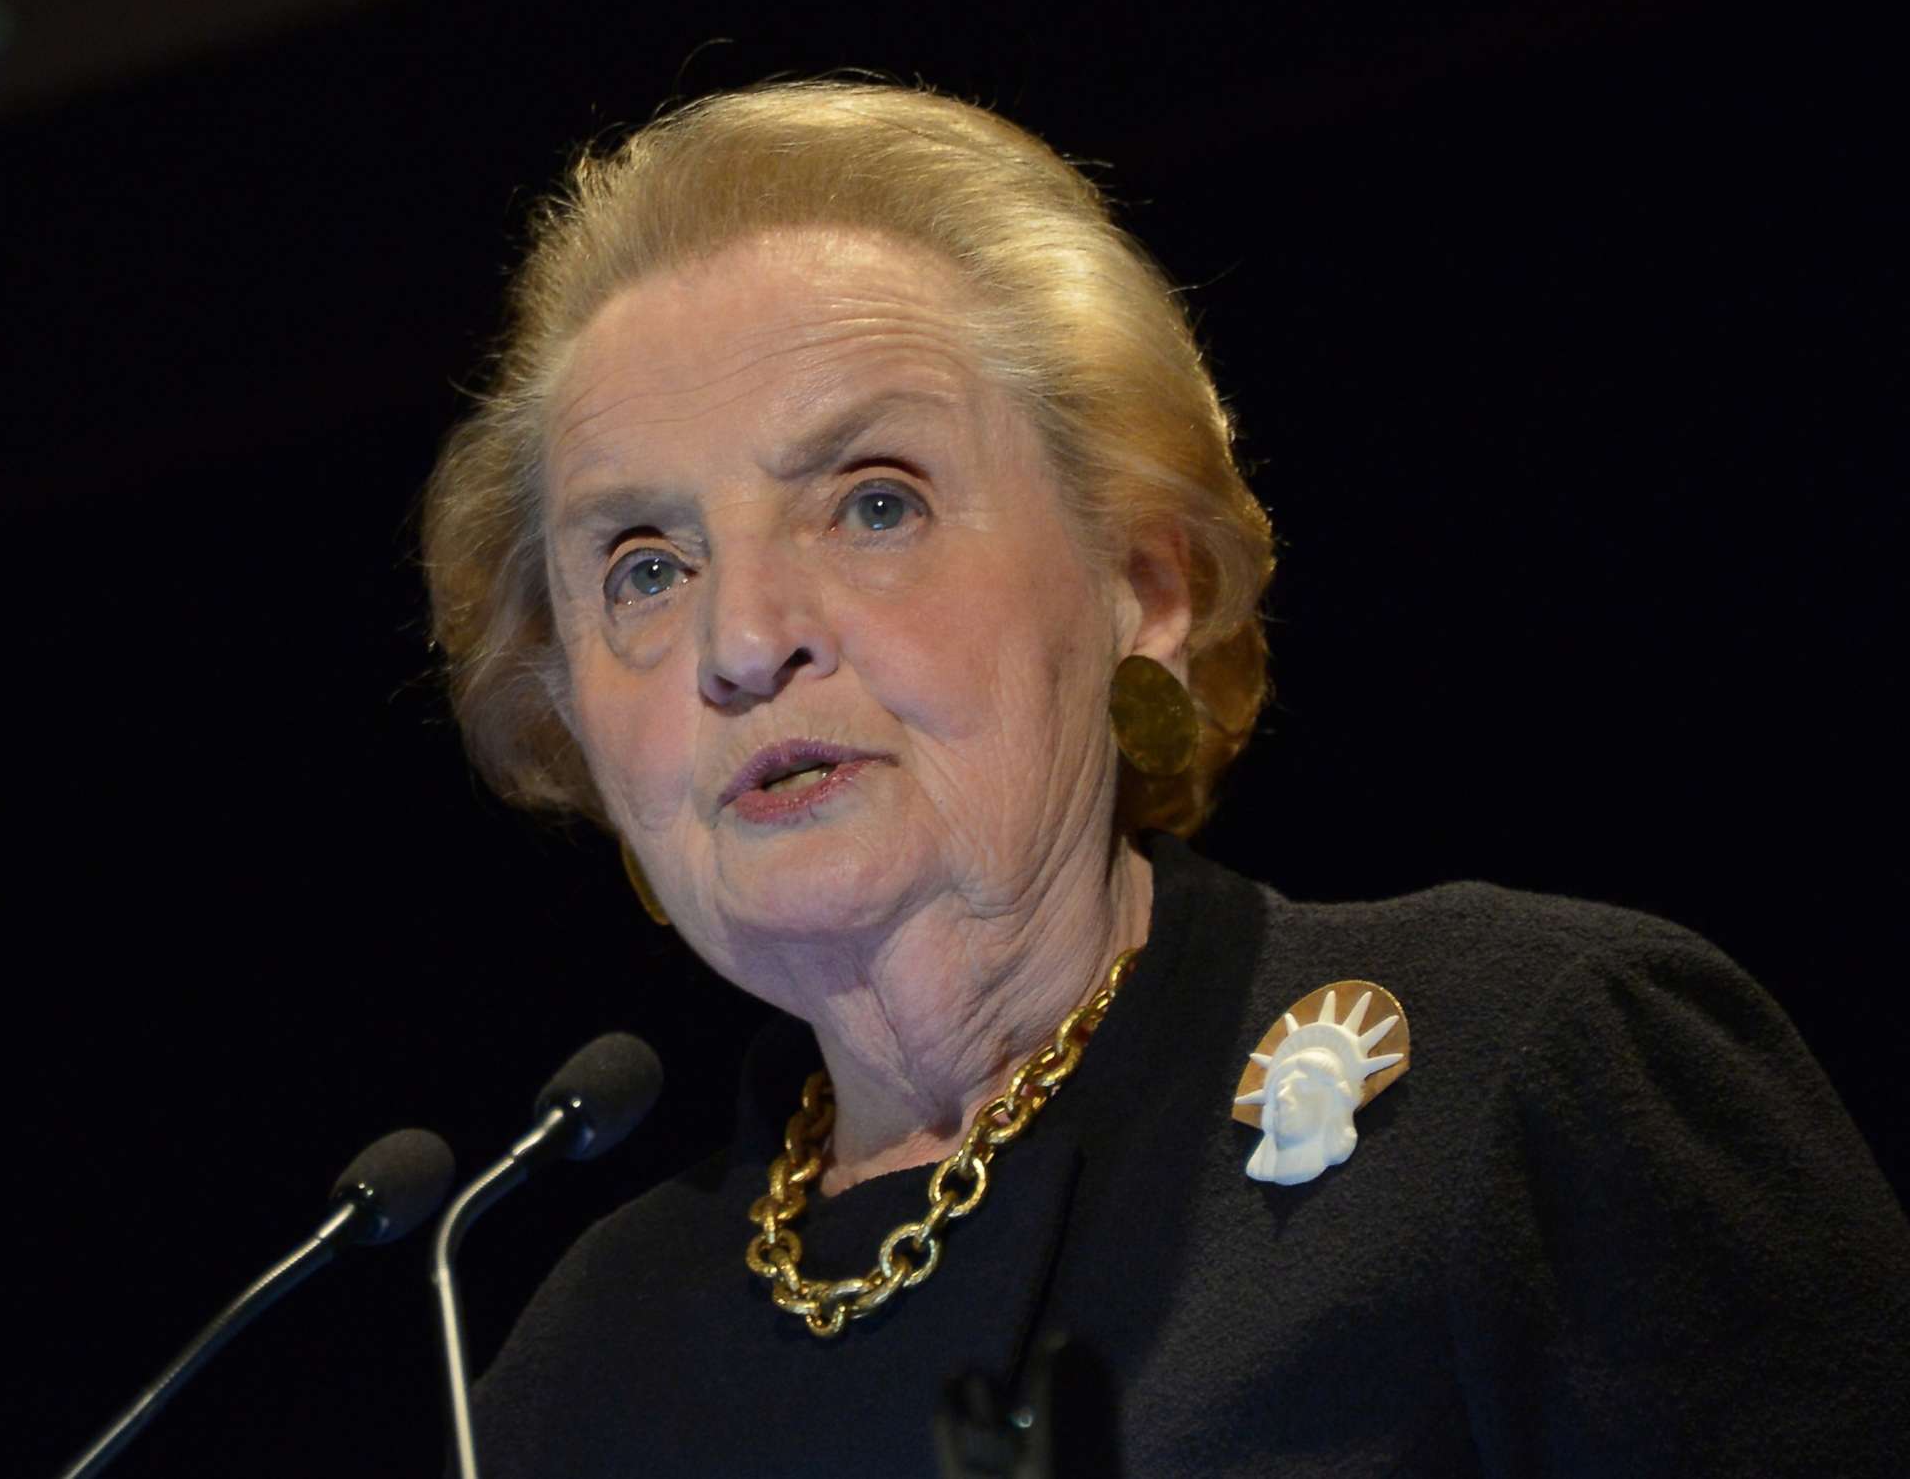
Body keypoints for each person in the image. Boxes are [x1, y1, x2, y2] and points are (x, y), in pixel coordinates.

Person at [419, 82, 1908, 1476]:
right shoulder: (575, 1376)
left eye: (875, 501)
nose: (741, 639)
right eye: (646, 566)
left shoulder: (1524, 1083)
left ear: (1142, 580)